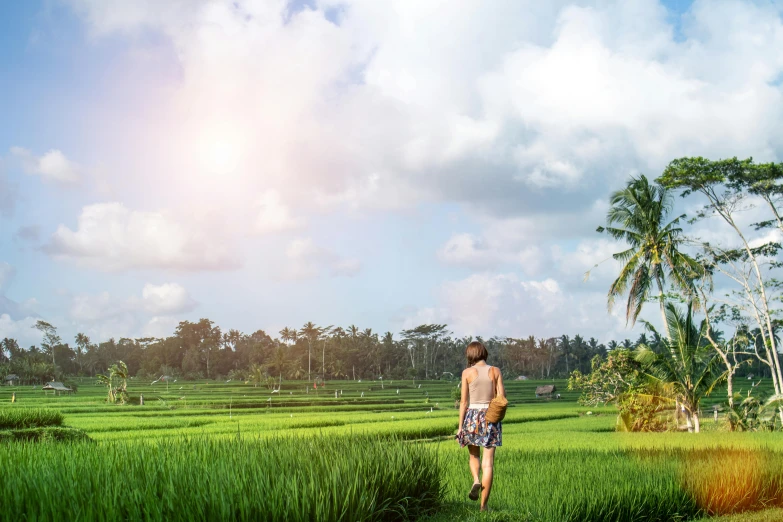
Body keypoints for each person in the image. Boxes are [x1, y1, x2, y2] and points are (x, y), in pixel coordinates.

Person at [456, 340, 505, 512]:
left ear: (470, 355)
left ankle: (476, 479)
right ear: (484, 353)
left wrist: (460, 427)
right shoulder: (495, 371)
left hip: (471, 417)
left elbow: (463, 402)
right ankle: (484, 507)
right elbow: (501, 398)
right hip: (490, 418)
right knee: (488, 464)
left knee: (473, 456)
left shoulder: (467, 372)